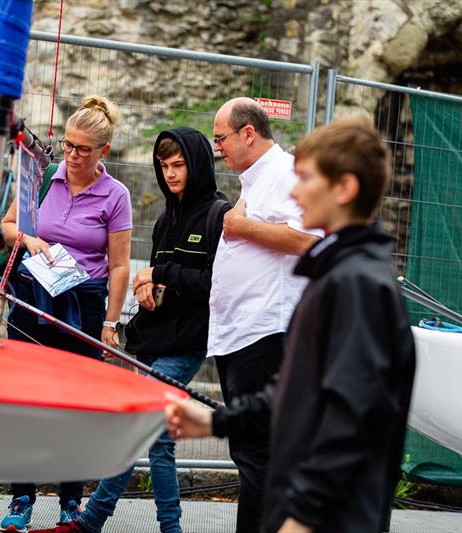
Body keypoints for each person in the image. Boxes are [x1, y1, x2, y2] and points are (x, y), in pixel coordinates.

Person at [165, 117, 417, 533]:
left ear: (344, 189)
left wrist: (301, 517)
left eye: (306, 179)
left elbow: (349, 420)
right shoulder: (337, 274)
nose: (295, 192)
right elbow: (298, 389)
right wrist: (216, 422)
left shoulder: (357, 284)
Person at [31, 128, 231, 533]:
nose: (171, 173)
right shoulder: (165, 217)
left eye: (180, 165)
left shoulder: (219, 215)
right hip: (155, 335)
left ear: (200, 166)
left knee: (146, 427)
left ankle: (102, 522)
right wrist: (148, 289)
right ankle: (104, 524)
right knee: (150, 434)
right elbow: (166, 280)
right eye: (164, 166)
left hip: (189, 340)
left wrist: (161, 273)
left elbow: (216, 285)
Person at [0, 95, 132, 533]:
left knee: (75, 405)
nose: (72, 155)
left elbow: (119, 264)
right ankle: (21, 497)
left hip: (83, 305)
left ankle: (70, 501)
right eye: (68, 145)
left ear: (103, 153)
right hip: (34, 295)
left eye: (83, 149)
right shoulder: (43, 176)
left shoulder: (116, 195)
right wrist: (31, 241)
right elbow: (9, 224)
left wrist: (111, 323)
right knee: (26, 399)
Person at [207, 97, 321, 531]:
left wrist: (241, 227)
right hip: (242, 334)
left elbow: (308, 239)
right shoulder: (256, 179)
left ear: (248, 133)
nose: (218, 147)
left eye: (222, 138)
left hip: (266, 332)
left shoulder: (285, 172)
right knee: (252, 453)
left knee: (259, 453)